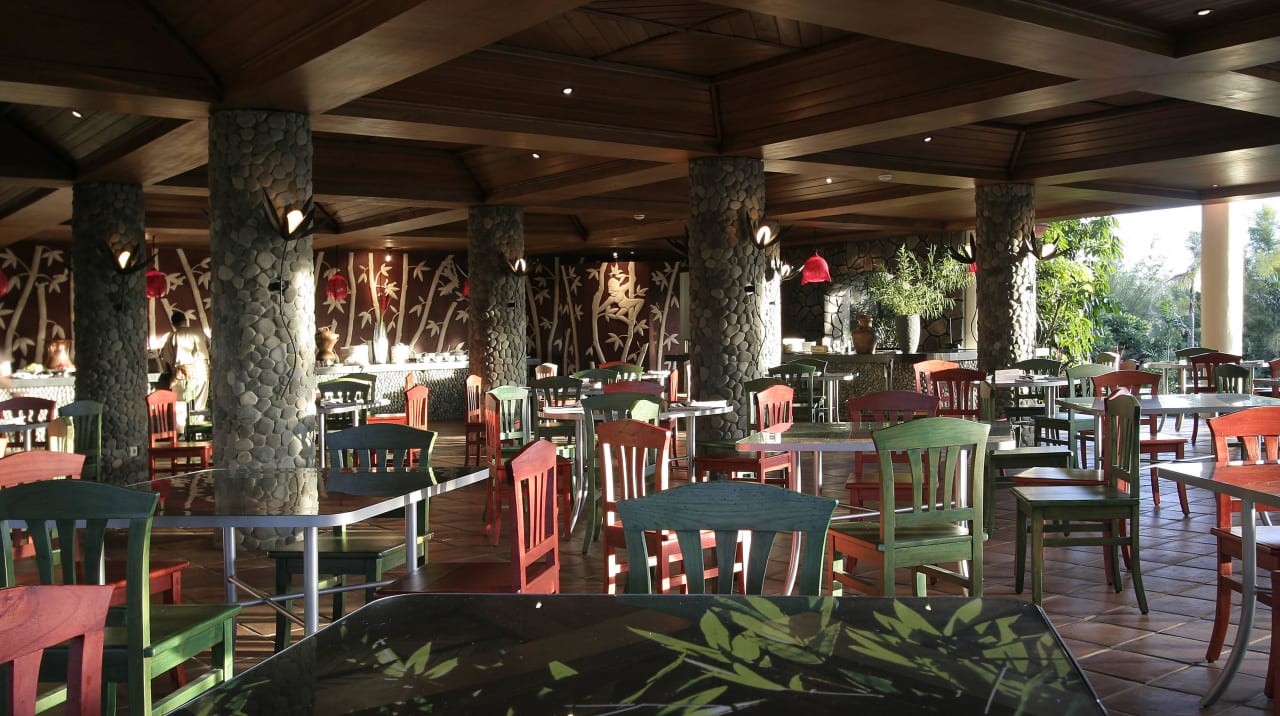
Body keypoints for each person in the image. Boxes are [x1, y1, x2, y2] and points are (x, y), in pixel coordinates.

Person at [161, 311, 210, 412]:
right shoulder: (199, 332)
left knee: (181, 405)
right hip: (203, 372)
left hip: (184, 373)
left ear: (173, 324)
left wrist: (173, 374)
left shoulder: (174, 336)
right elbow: (209, 347)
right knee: (199, 407)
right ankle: (199, 419)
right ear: (185, 320)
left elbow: (167, 357)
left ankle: (181, 422)